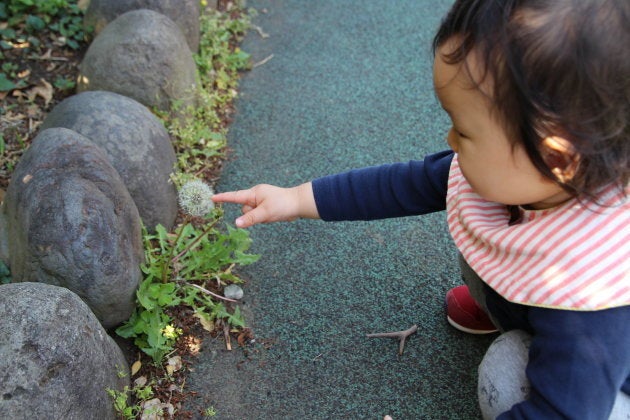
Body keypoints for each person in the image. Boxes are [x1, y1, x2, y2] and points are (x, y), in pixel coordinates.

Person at [212, 0, 630, 418]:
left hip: (599, 393)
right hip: (542, 304)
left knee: (505, 375)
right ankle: (506, 305)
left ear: (557, 157)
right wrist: (296, 199)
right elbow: (403, 185)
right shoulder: (527, 172)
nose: (450, 138)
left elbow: (566, 412)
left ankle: (517, 318)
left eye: (464, 131)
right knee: (476, 233)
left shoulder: (589, 301)